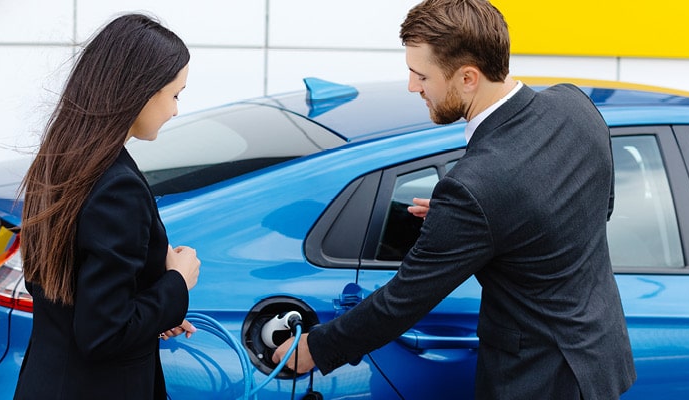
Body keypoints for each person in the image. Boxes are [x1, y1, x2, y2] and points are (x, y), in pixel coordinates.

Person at [272, 0, 636, 398]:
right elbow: (597, 209)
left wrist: (315, 348)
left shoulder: (474, 187)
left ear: (467, 78)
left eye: (420, 75)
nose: (413, 87)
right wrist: (481, 227)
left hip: (536, 382)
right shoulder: (574, 105)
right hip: (599, 364)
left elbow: (404, 300)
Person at [13, 13, 201, 400]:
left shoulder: (60, 158)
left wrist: (154, 311)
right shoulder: (117, 187)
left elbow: (69, 294)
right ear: (142, 91)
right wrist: (176, 283)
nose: (175, 110)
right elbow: (104, 332)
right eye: (175, 95)